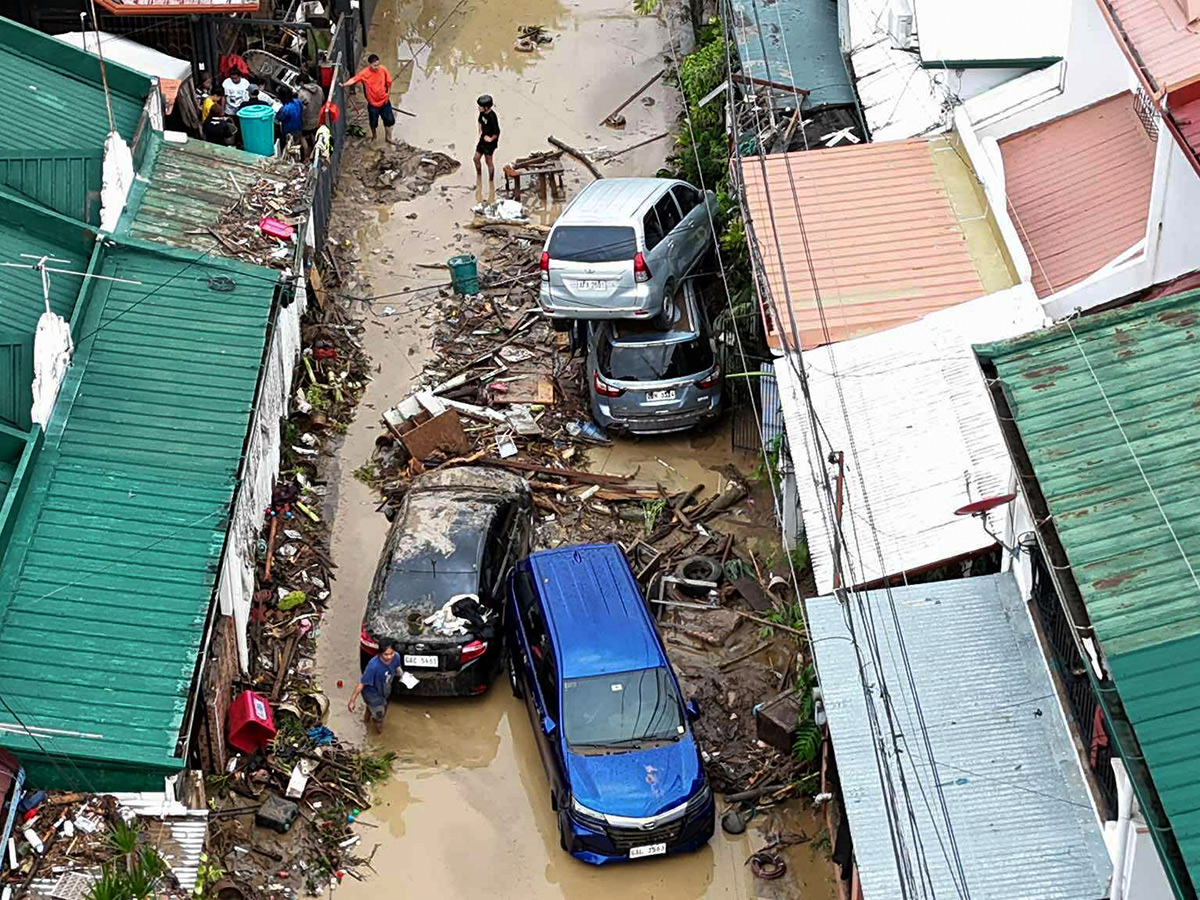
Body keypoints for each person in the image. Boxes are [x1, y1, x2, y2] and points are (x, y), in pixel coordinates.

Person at [348, 641, 402, 733]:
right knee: (379, 715)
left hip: (384, 689)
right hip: (372, 693)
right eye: (386, 654)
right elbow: (362, 683)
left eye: (391, 653)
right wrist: (352, 701)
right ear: (380, 653)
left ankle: (366, 721)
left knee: (373, 707)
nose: (389, 657)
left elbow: (397, 667)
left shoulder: (396, 656)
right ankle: (379, 733)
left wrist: (402, 675)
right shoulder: (373, 666)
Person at [343, 53, 395, 143]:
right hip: (373, 104)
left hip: (384, 101)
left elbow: (389, 83)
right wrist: (345, 84)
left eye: (378, 64)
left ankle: (388, 137)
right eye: (375, 65)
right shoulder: (364, 73)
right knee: (373, 123)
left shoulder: (383, 69)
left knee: (389, 120)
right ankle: (374, 136)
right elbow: (354, 79)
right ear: (370, 64)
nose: (377, 67)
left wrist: (388, 95)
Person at [474, 94, 500, 199]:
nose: (478, 108)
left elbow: (497, 132)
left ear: (486, 107)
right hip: (482, 139)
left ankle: (491, 181)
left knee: (488, 162)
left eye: (480, 106)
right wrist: (480, 131)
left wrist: (490, 139)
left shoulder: (492, 117)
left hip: (490, 143)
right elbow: (480, 121)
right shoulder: (482, 113)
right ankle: (479, 176)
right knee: (476, 158)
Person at [298, 73, 325, 161]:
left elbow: (300, 107)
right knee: (314, 133)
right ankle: (316, 153)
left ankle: (306, 156)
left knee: (303, 136)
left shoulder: (302, 93)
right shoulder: (319, 89)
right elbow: (323, 99)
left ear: (302, 82)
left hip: (307, 120)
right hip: (317, 117)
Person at [275, 84, 304, 150]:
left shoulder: (285, 109)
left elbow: (278, 118)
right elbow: (302, 109)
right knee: (297, 144)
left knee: (290, 148)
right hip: (299, 127)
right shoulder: (297, 101)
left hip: (289, 132)